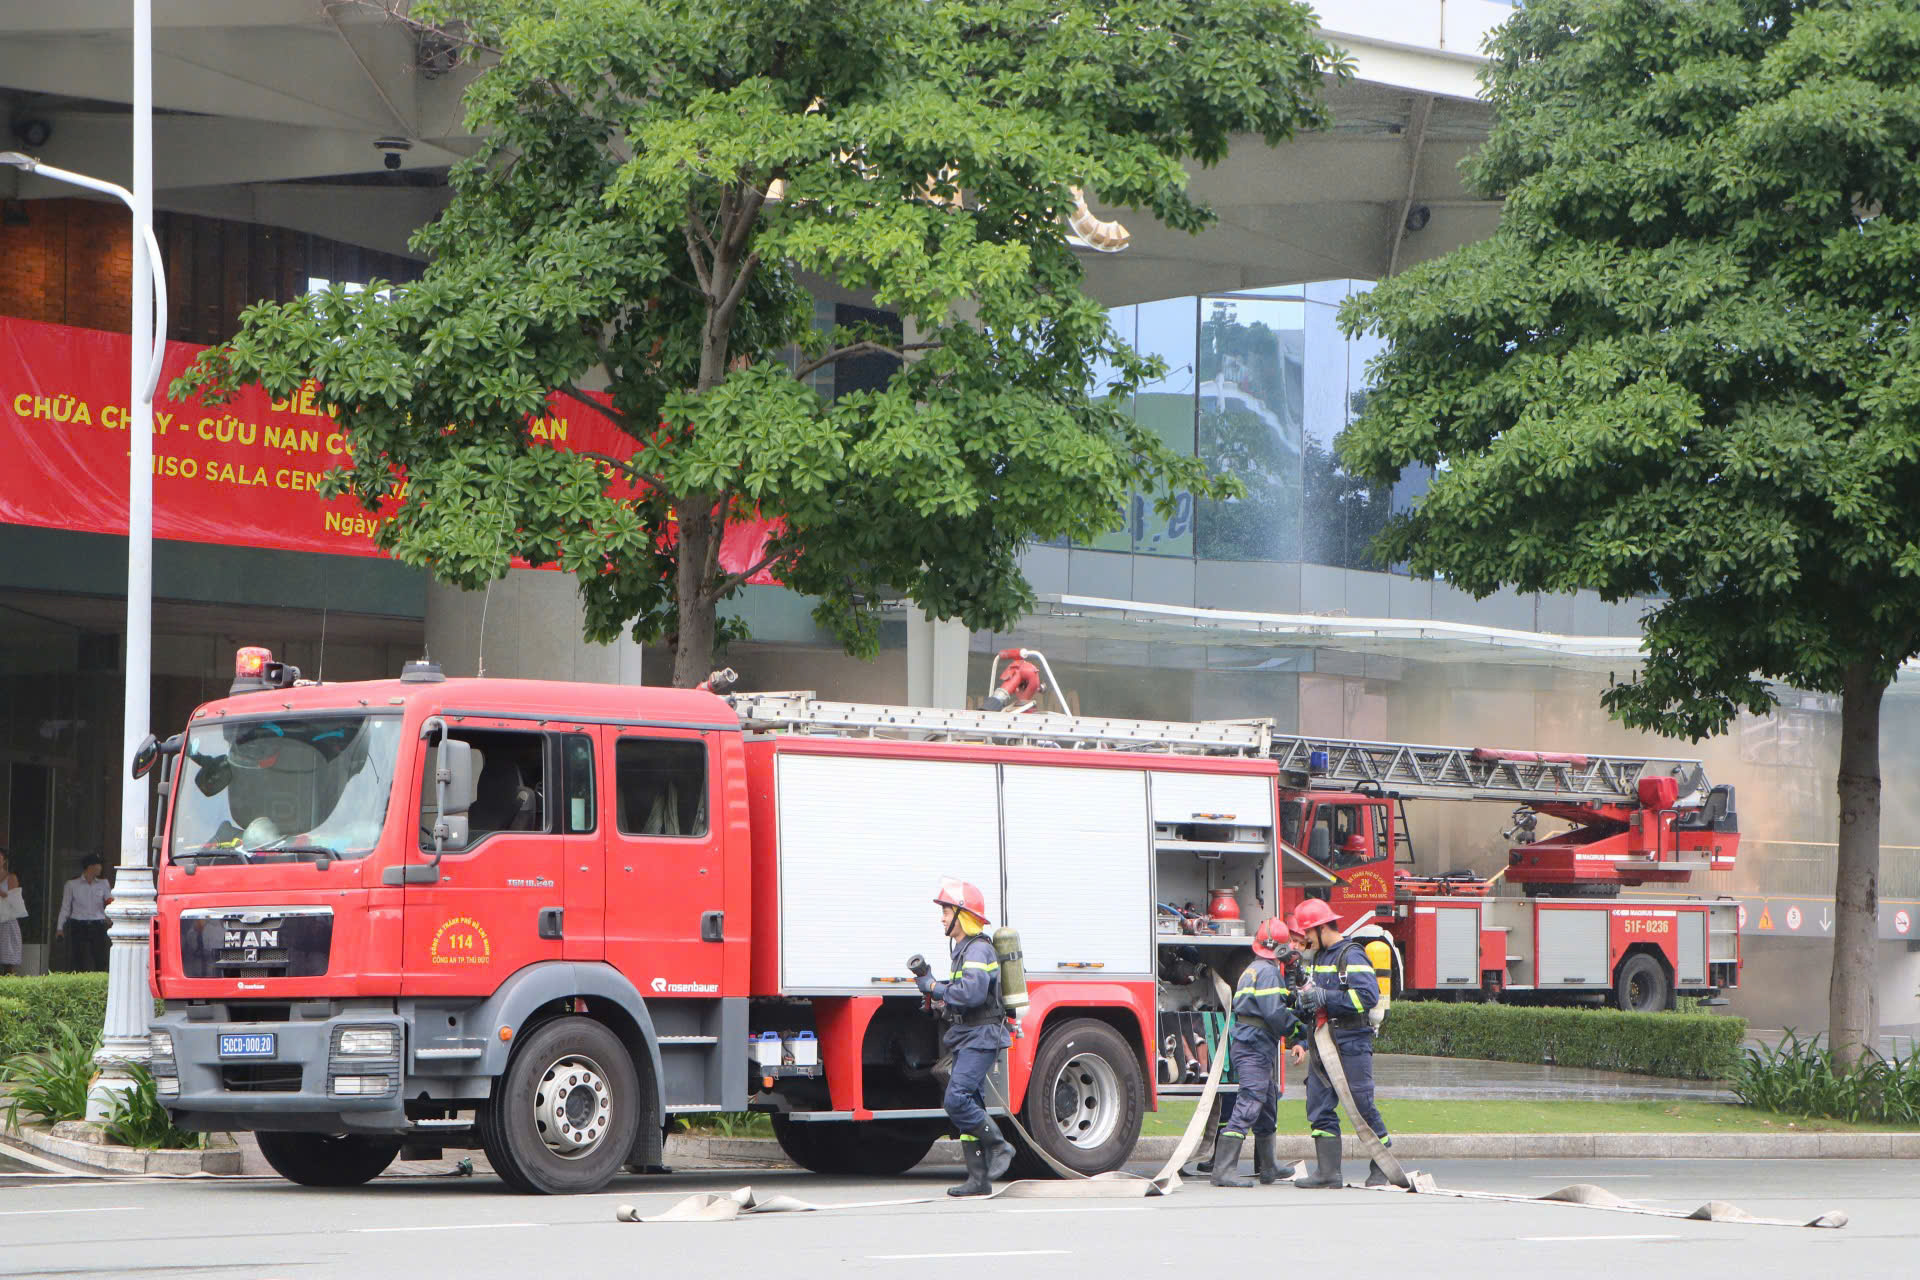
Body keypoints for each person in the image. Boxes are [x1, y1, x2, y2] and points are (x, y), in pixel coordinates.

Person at [908, 877, 1014, 1197]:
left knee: (956, 1100)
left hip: (982, 1036)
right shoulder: (963, 950)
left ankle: (1000, 1147)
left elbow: (972, 993)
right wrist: (938, 1000)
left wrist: (934, 988)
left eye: (946, 911)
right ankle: (979, 1179)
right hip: (968, 1034)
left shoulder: (979, 948)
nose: (941, 917)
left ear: (962, 914)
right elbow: (962, 995)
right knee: (970, 1102)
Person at [1288, 897, 1390, 1188]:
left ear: (1321, 928)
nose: (1305, 939)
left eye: (1307, 933)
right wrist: (1304, 998)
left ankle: (1381, 1167)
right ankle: (1328, 1172)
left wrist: (1326, 997)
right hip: (1323, 1040)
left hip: (1352, 1042)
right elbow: (1314, 997)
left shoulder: (1351, 955)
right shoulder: (1319, 957)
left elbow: (1367, 998)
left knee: (1362, 1104)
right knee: (1318, 1104)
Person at [1208, 916, 1308, 1187]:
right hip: (1254, 1046)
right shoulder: (1267, 972)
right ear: (1282, 949)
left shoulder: (1255, 968)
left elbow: (1275, 1006)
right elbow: (1274, 1013)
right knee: (1250, 1102)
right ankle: (1223, 1170)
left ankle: (1268, 1167)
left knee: (1266, 1104)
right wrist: (1300, 1031)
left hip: (1256, 1044)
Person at [57, 855, 112, 972]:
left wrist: (111, 918)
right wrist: (59, 928)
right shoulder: (71, 884)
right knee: (78, 958)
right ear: (91, 867)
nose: (101, 867)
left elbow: (110, 902)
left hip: (98, 924)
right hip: (78, 924)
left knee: (100, 958)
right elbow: (65, 907)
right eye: (99, 865)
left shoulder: (103, 884)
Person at [0, 846, 25, 975]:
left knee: (8, 962)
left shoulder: (11, 877)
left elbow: (13, 898)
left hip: (7, 921)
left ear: (4, 861)